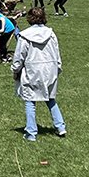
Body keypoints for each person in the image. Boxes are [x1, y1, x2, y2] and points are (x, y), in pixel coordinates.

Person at [11, 7, 67, 141]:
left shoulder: (24, 36)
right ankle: (60, 127)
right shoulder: (51, 34)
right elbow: (56, 52)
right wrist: (58, 68)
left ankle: (31, 132)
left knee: (30, 101)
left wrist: (15, 70)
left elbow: (19, 57)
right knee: (50, 99)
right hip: (50, 70)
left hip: (33, 72)